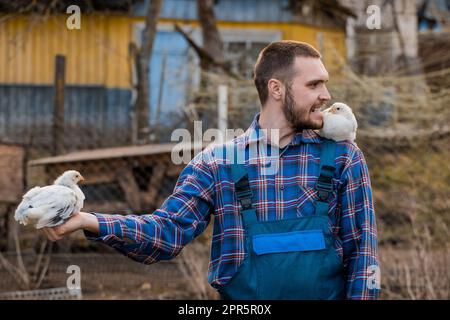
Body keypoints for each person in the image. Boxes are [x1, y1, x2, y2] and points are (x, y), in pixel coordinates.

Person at [41, 40, 380, 300]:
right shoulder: (217, 163)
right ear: (276, 89)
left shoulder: (343, 158)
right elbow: (167, 232)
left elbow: (363, 252)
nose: (326, 95)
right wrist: (89, 221)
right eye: (314, 85)